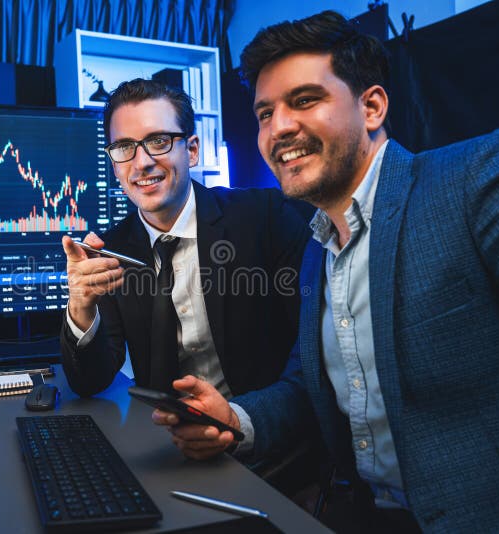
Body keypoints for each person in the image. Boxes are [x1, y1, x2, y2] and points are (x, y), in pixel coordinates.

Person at [151, 10, 499, 532]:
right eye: (263, 113)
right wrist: (236, 420)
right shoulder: (318, 247)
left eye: (304, 100)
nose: (280, 128)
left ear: (371, 106)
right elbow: (311, 387)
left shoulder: (473, 182)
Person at [59, 79, 312, 418]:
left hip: (264, 438)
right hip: (166, 447)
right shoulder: (111, 249)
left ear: (191, 150)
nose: (142, 162)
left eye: (159, 141)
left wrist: (245, 420)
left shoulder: (264, 216)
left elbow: (312, 353)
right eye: (124, 147)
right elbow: (90, 381)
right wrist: (81, 308)